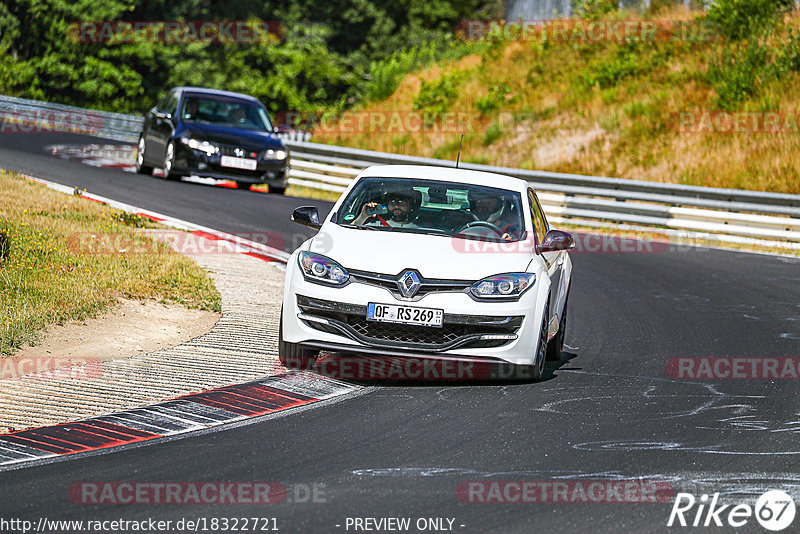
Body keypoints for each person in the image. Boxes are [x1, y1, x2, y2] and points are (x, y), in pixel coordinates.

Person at [352, 187, 420, 229]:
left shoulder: (419, 230)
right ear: (387, 205)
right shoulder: (375, 226)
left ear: (410, 205)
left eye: (401, 202)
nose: (396, 206)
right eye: (392, 202)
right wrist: (363, 217)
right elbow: (350, 232)